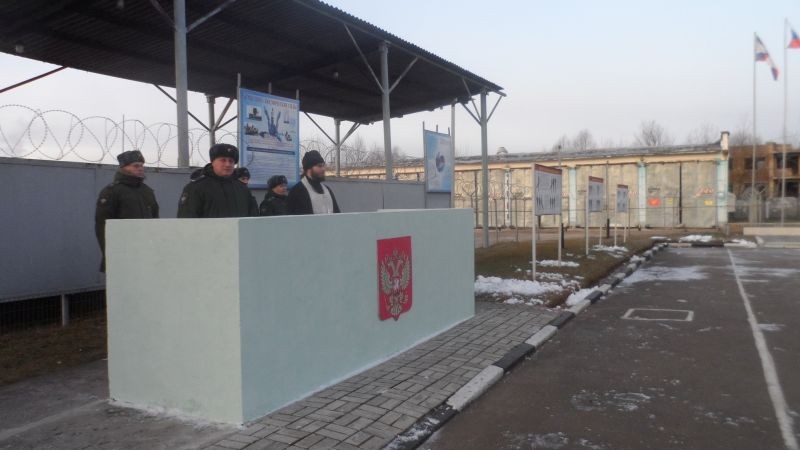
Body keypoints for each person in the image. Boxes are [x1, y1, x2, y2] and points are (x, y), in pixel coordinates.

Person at [95, 150, 159, 272]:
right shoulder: (112, 192)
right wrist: (110, 255)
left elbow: (155, 221)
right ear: (123, 167)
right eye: (136, 166)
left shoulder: (147, 191)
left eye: (142, 166)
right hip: (123, 253)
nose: (140, 168)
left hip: (146, 252)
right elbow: (102, 226)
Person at [177, 144, 259, 218]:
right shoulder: (196, 188)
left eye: (231, 161)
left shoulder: (242, 189)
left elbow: (252, 217)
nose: (227, 164)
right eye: (223, 160)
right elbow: (186, 220)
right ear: (213, 162)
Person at [287, 150, 341, 215]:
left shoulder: (327, 190)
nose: (323, 169)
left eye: (323, 165)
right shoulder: (297, 192)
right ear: (309, 169)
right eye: (319, 166)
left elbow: (337, 216)